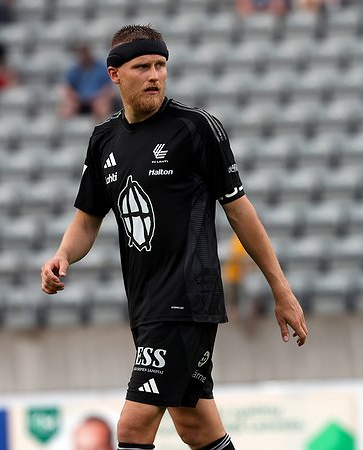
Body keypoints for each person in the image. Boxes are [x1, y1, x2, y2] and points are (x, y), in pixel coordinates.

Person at [41, 24, 308, 450]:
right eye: (142, 67)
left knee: (132, 428)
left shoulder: (196, 128)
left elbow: (240, 212)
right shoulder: (104, 139)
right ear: (114, 74)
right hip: (145, 304)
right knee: (195, 427)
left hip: (187, 299)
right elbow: (87, 220)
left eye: (160, 65)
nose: (154, 75)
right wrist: (63, 255)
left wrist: (281, 290)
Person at [57, 44, 115, 122]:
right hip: (79, 100)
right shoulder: (74, 70)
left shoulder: (101, 68)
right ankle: (65, 126)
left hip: (97, 98)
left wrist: (100, 96)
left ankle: (101, 126)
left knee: (102, 106)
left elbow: (108, 86)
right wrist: (73, 97)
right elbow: (68, 87)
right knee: (66, 108)